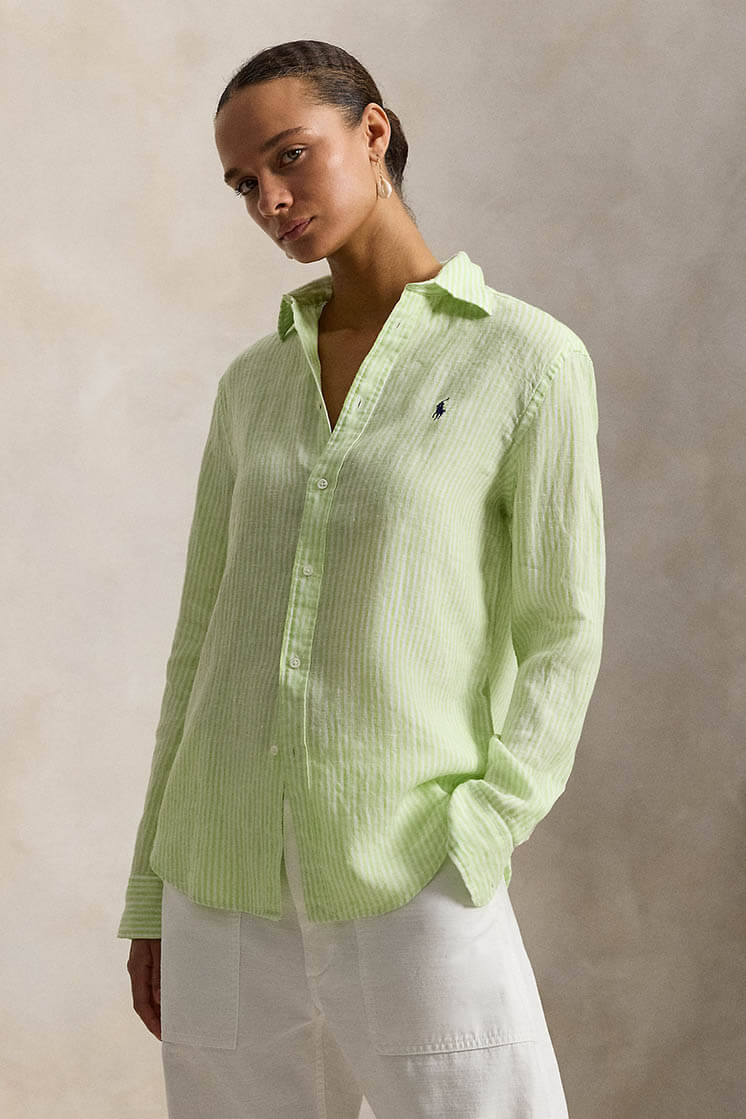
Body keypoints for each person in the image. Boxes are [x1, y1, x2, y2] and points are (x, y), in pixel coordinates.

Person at [119, 39, 605, 1119]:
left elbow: (563, 630)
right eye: (244, 182)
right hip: (220, 876)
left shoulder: (526, 360)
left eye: (289, 157)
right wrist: (152, 894)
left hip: (406, 861)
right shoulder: (252, 387)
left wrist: (483, 828)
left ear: (372, 132)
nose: (270, 200)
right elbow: (200, 644)